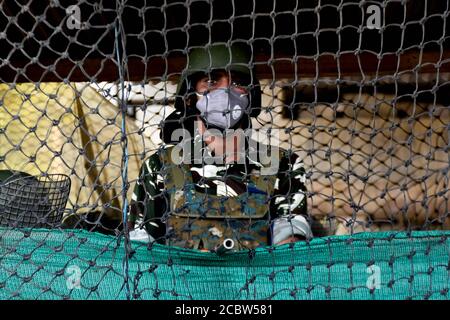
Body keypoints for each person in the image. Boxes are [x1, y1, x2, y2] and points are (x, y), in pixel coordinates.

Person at [128, 43, 312, 252]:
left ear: (251, 96)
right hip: (180, 283)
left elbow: (290, 248)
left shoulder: (282, 165)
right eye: (211, 81)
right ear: (189, 95)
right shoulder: (160, 166)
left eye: (238, 83)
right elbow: (141, 249)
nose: (225, 92)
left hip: (256, 283)